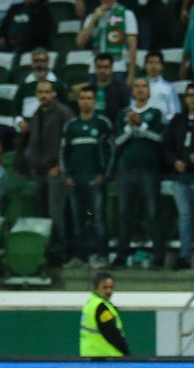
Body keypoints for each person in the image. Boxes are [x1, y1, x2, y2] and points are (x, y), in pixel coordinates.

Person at [113, 77, 165, 269]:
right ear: (132, 90)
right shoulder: (122, 114)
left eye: (144, 86)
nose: (141, 89)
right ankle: (121, 255)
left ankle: (159, 257)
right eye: (137, 86)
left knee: (153, 213)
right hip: (126, 169)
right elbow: (117, 141)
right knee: (124, 213)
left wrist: (141, 125)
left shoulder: (155, 113)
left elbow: (159, 137)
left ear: (149, 91)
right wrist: (131, 127)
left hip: (149, 170)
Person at [21, 80, 72, 267]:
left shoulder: (63, 113)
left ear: (54, 94)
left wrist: (60, 165)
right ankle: (47, 252)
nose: (44, 95)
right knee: (43, 214)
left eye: (47, 92)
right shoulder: (36, 115)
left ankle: (61, 253)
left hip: (56, 171)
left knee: (56, 214)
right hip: (40, 172)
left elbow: (68, 141)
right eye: (40, 92)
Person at [164, 81, 194, 271]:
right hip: (181, 178)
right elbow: (166, 146)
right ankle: (184, 257)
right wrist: (174, 161)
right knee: (184, 218)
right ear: (186, 98)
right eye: (190, 94)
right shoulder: (177, 120)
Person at [63, 87, 113, 268]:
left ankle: (102, 256)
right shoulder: (71, 126)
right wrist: (67, 175)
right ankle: (80, 257)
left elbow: (110, 151)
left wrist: (104, 174)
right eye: (82, 98)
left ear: (94, 101)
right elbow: (64, 152)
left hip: (95, 182)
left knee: (98, 220)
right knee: (78, 221)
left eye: (89, 98)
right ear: (78, 101)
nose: (85, 101)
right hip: (76, 183)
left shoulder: (102, 123)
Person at [77, 0, 138, 85]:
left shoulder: (127, 14)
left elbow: (132, 46)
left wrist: (131, 74)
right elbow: (80, 42)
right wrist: (93, 20)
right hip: (96, 69)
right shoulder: (92, 16)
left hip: (117, 68)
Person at [80, 270, 129, 356]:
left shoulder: (91, 303)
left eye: (111, 287)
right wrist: (126, 353)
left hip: (91, 354)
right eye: (105, 287)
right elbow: (112, 333)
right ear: (96, 288)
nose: (108, 291)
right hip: (105, 357)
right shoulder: (101, 307)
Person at [87, 51, 129, 122]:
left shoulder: (121, 90)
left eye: (106, 67)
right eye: (99, 67)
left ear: (111, 68)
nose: (102, 70)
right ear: (94, 68)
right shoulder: (89, 89)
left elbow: (124, 113)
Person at [143, 51, 180, 122]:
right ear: (145, 66)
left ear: (162, 66)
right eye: (150, 63)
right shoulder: (138, 86)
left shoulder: (169, 88)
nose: (153, 66)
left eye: (156, 63)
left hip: (164, 127)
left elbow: (175, 112)